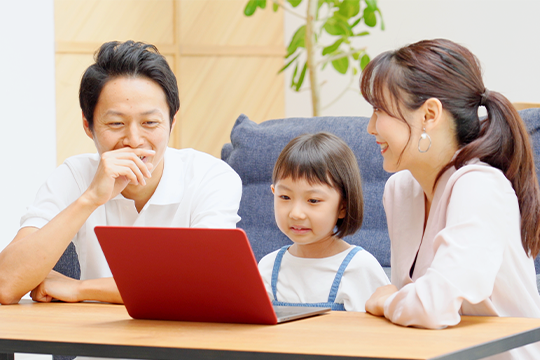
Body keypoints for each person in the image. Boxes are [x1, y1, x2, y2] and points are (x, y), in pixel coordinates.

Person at [0, 41, 242, 305]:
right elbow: (6, 284)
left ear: (172, 121)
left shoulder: (211, 177)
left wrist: (81, 289)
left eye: (150, 122)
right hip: (98, 343)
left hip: (183, 340)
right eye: (116, 123)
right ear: (88, 125)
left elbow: (205, 284)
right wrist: (90, 198)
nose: (134, 139)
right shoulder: (74, 175)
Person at [361, 39, 540, 359]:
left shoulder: (480, 188)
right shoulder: (400, 190)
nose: (371, 127)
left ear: (429, 114)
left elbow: (433, 307)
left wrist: (388, 300)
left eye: (379, 110)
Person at [258, 132, 389, 311]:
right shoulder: (268, 266)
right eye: (285, 197)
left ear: (343, 206)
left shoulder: (359, 267)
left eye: (313, 200)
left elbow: (376, 336)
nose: (296, 214)